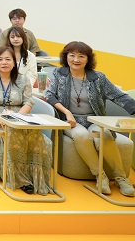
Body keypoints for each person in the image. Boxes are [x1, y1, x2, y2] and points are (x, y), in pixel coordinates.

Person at [45, 41, 135, 196]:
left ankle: (121, 178)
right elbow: (49, 95)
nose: (76, 60)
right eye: (71, 55)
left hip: (95, 119)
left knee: (105, 134)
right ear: (66, 57)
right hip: (71, 120)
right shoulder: (59, 74)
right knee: (81, 135)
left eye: (81, 56)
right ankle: (100, 176)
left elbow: (118, 95)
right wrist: (67, 112)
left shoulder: (98, 78)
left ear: (88, 59)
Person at [0, 46, 52, 195]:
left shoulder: (23, 80)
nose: (4, 62)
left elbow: (28, 102)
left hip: (20, 117)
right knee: (12, 134)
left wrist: (18, 118)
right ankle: (20, 178)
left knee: (37, 137)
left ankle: (34, 176)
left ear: (14, 62)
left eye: (8, 59)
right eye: (0, 59)